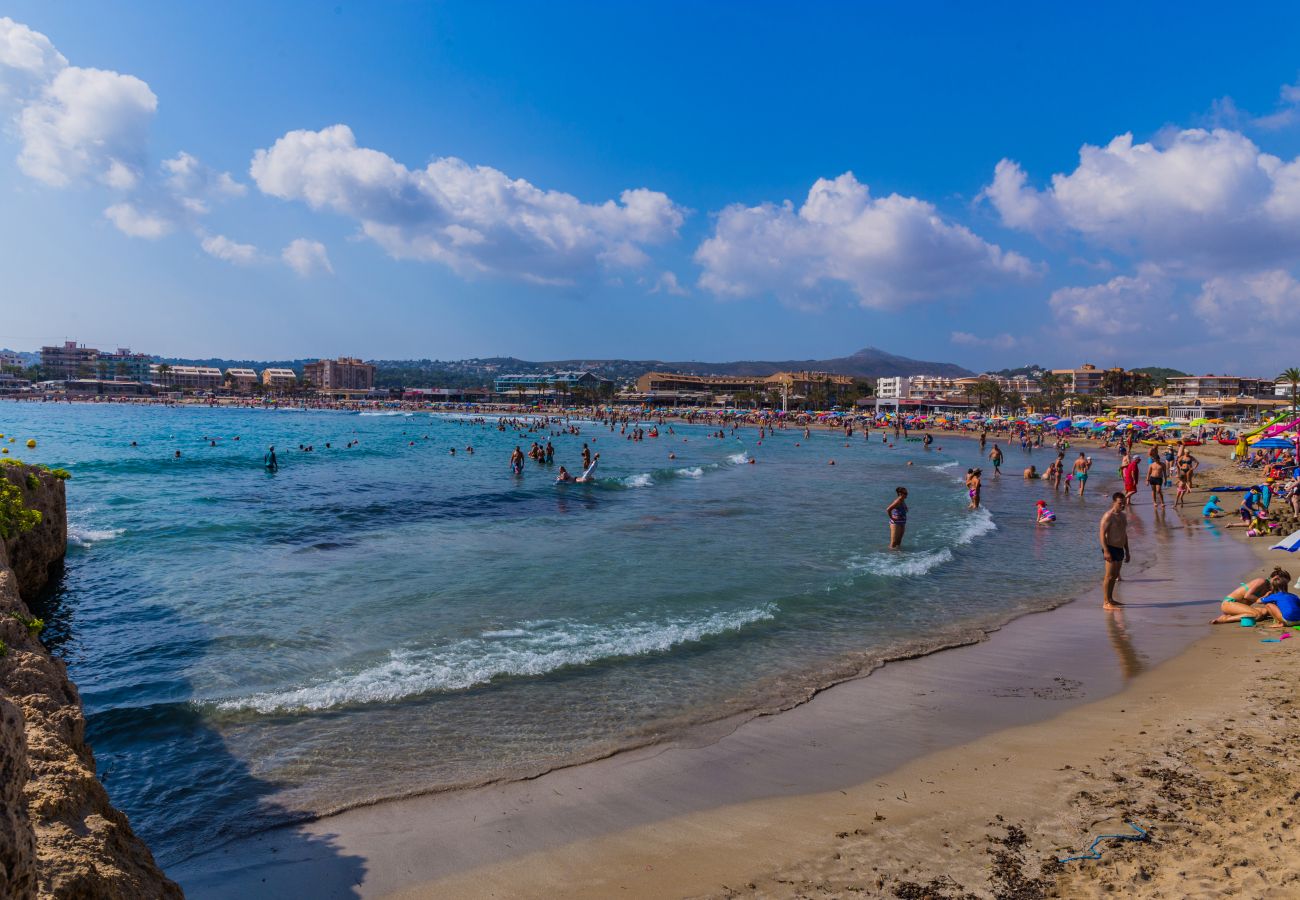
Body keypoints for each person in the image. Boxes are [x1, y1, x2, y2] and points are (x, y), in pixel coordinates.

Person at [1211, 567, 1290, 624]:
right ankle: (1225, 619)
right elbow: (1247, 596)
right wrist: (1262, 599)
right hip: (1229, 603)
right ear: (1276, 578)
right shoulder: (1261, 581)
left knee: (1266, 611)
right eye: (1284, 583)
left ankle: (1239, 614)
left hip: (1240, 607)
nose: (1283, 585)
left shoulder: (1271, 588)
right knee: (1257, 615)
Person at [1099, 492, 1130, 610]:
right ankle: (1105, 602)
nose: (1123, 505)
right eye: (1120, 503)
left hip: (1120, 548)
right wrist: (1106, 550)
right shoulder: (1108, 516)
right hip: (1110, 547)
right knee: (1109, 576)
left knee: (1115, 575)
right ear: (1114, 503)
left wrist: (1127, 550)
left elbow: (1124, 534)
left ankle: (1111, 599)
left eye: (1124, 503)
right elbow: (1102, 534)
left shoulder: (1123, 516)